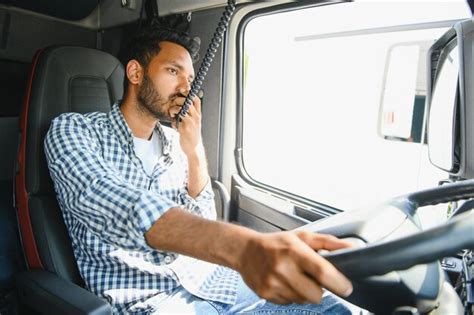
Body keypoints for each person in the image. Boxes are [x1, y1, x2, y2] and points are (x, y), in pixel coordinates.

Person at [44, 26, 355, 314]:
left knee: (333, 305)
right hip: (153, 301)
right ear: (136, 72)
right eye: (173, 71)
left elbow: (203, 218)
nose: (186, 88)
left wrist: (193, 149)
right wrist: (243, 248)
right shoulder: (73, 130)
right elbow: (117, 207)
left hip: (213, 282)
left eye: (190, 79)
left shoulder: (173, 141)